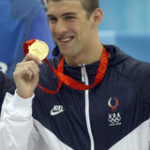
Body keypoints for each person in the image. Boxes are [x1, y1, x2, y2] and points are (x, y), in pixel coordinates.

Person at [0, 0, 150, 149]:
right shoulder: (36, 85)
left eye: (69, 17)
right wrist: (21, 100)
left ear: (96, 17)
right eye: (52, 19)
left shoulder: (142, 80)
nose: (59, 29)